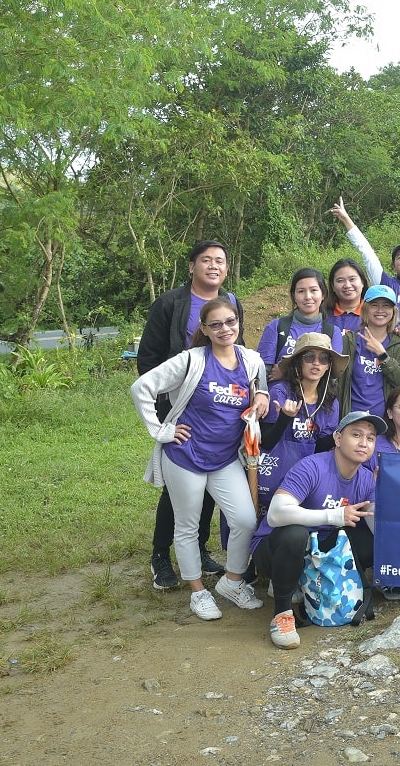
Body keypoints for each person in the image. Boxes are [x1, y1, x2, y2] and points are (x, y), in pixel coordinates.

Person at [131, 298, 268, 620]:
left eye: (230, 322)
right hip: (185, 456)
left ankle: (232, 582)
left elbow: (259, 387)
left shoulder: (251, 360)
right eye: (215, 325)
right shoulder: (191, 360)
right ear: (204, 329)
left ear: (239, 323)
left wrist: (262, 395)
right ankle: (198, 592)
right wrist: (161, 431)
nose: (224, 329)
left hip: (225, 458)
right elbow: (141, 387)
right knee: (188, 526)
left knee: (245, 520)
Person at [137, 239, 245, 591]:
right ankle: (160, 556)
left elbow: (237, 352)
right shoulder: (170, 303)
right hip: (180, 409)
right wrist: (164, 417)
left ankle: (198, 548)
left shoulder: (230, 302)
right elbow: (149, 360)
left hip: (218, 408)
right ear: (192, 266)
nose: (213, 266)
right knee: (177, 487)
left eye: (220, 260)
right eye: (206, 260)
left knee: (211, 483)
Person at [249, 410, 382, 649]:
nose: (364, 443)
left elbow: (378, 527)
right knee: (295, 534)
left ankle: (309, 582)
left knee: (373, 542)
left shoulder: (365, 479)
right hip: (276, 547)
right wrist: (334, 515)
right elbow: (276, 513)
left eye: (370, 438)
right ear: (338, 438)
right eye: (356, 435)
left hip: (322, 551)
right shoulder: (312, 466)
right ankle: (282, 614)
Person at [257, 332, 345, 522]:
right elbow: (266, 441)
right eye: (309, 357)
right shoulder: (280, 391)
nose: (316, 363)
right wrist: (284, 418)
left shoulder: (331, 401)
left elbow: (319, 447)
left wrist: (341, 436)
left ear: (329, 365)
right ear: (298, 361)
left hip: (306, 476)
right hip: (273, 470)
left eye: (323, 358)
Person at [257, 268, 344, 369]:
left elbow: (332, 372)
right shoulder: (276, 327)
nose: (308, 296)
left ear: (323, 294)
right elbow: (264, 371)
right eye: (301, 291)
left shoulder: (333, 332)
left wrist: (284, 371)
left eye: (313, 290)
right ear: (294, 296)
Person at [346, 286, 400, 415]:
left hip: (386, 418)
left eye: (386, 305)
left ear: (393, 311)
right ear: (365, 309)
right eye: (374, 305)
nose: (380, 310)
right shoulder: (349, 341)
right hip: (351, 416)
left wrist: (383, 355)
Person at [325, 257, 368, 334]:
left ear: (362, 282)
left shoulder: (374, 313)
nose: (347, 285)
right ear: (333, 286)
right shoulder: (322, 314)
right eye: (340, 281)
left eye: (352, 279)